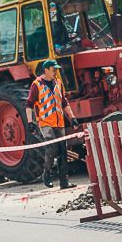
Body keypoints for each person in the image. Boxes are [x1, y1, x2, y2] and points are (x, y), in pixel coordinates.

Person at [25, 59, 79, 189]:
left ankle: (64, 182)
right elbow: (29, 104)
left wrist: (72, 118)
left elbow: (64, 102)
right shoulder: (36, 84)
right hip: (45, 122)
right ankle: (46, 174)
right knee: (52, 147)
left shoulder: (58, 83)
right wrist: (30, 122)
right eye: (54, 70)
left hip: (59, 122)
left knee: (62, 150)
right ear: (46, 70)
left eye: (56, 70)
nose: (56, 72)